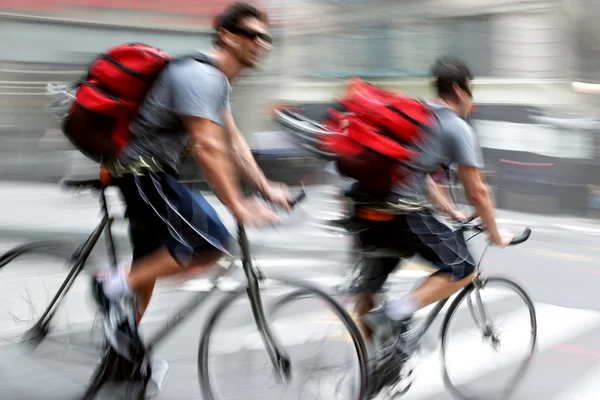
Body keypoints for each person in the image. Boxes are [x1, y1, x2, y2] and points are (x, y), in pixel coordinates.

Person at [91, 2, 292, 360]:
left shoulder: (217, 83)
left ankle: (120, 351)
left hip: (152, 171)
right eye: (254, 36)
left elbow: (233, 142)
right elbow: (208, 147)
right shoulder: (201, 76)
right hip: (141, 169)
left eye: (267, 39)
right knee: (211, 242)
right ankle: (108, 286)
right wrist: (237, 206)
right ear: (228, 37)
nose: (263, 44)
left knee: (149, 263)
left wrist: (264, 186)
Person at [350, 56, 514, 391]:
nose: (473, 98)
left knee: (369, 292)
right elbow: (478, 191)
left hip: (365, 209)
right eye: (472, 90)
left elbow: (415, 170)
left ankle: (374, 372)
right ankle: (396, 314)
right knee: (464, 267)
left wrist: (449, 210)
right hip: (401, 213)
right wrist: (496, 234)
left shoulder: (414, 113)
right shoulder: (456, 126)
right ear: (459, 88)